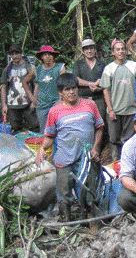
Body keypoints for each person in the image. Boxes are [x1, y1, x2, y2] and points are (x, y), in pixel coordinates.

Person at [35, 73, 104, 221]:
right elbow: (49, 136)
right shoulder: (54, 111)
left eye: (73, 88)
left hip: (87, 157)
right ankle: (66, 222)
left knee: (90, 190)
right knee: (64, 193)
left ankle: (91, 220)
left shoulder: (90, 105)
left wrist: (96, 148)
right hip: (64, 158)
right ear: (60, 92)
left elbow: (99, 127)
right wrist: (41, 150)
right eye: (67, 89)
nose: (71, 92)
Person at [100, 39, 136, 160]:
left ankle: (129, 161)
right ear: (113, 52)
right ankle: (116, 162)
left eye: (123, 49)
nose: (121, 51)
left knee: (129, 139)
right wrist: (110, 109)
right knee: (114, 139)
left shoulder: (134, 66)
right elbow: (106, 90)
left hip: (131, 109)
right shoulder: (109, 69)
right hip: (115, 110)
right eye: (117, 49)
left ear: (126, 51)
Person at [23, 45, 66, 133]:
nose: (48, 56)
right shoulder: (37, 70)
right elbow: (26, 82)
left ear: (53, 56)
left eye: (50, 54)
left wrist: (61, 100)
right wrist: (32, 98)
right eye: (45, 54)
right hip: (42, 104)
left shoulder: (60, 67)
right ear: (41, 57)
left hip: (57, 102)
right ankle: (46, 146)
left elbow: (64, 85)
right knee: (44, 131)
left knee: (60, 128)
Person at [1, 44, 38, 132]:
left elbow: (36, 84)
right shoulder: (7, 69)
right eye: (12, 54)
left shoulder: (29, 67)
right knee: (15, 128)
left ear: (21, 53)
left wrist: (34, 100)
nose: (14, 56)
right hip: (12, 104)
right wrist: (4, 105)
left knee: (34, 126)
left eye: (17, 53)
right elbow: (3, 87)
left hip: (28, 103)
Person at [72, 39, 107, 134]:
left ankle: (99, 147)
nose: (89, 51)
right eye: (86, 49)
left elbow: (105, 81)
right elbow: (76, 79)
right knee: (84, 122)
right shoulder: (78, 64)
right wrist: (91, 84)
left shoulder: (102, 64)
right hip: (83, 99)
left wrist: (98, 87)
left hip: (99, 98)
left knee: (100, 123)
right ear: (83, 51)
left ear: (95, 50)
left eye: (91, 48)